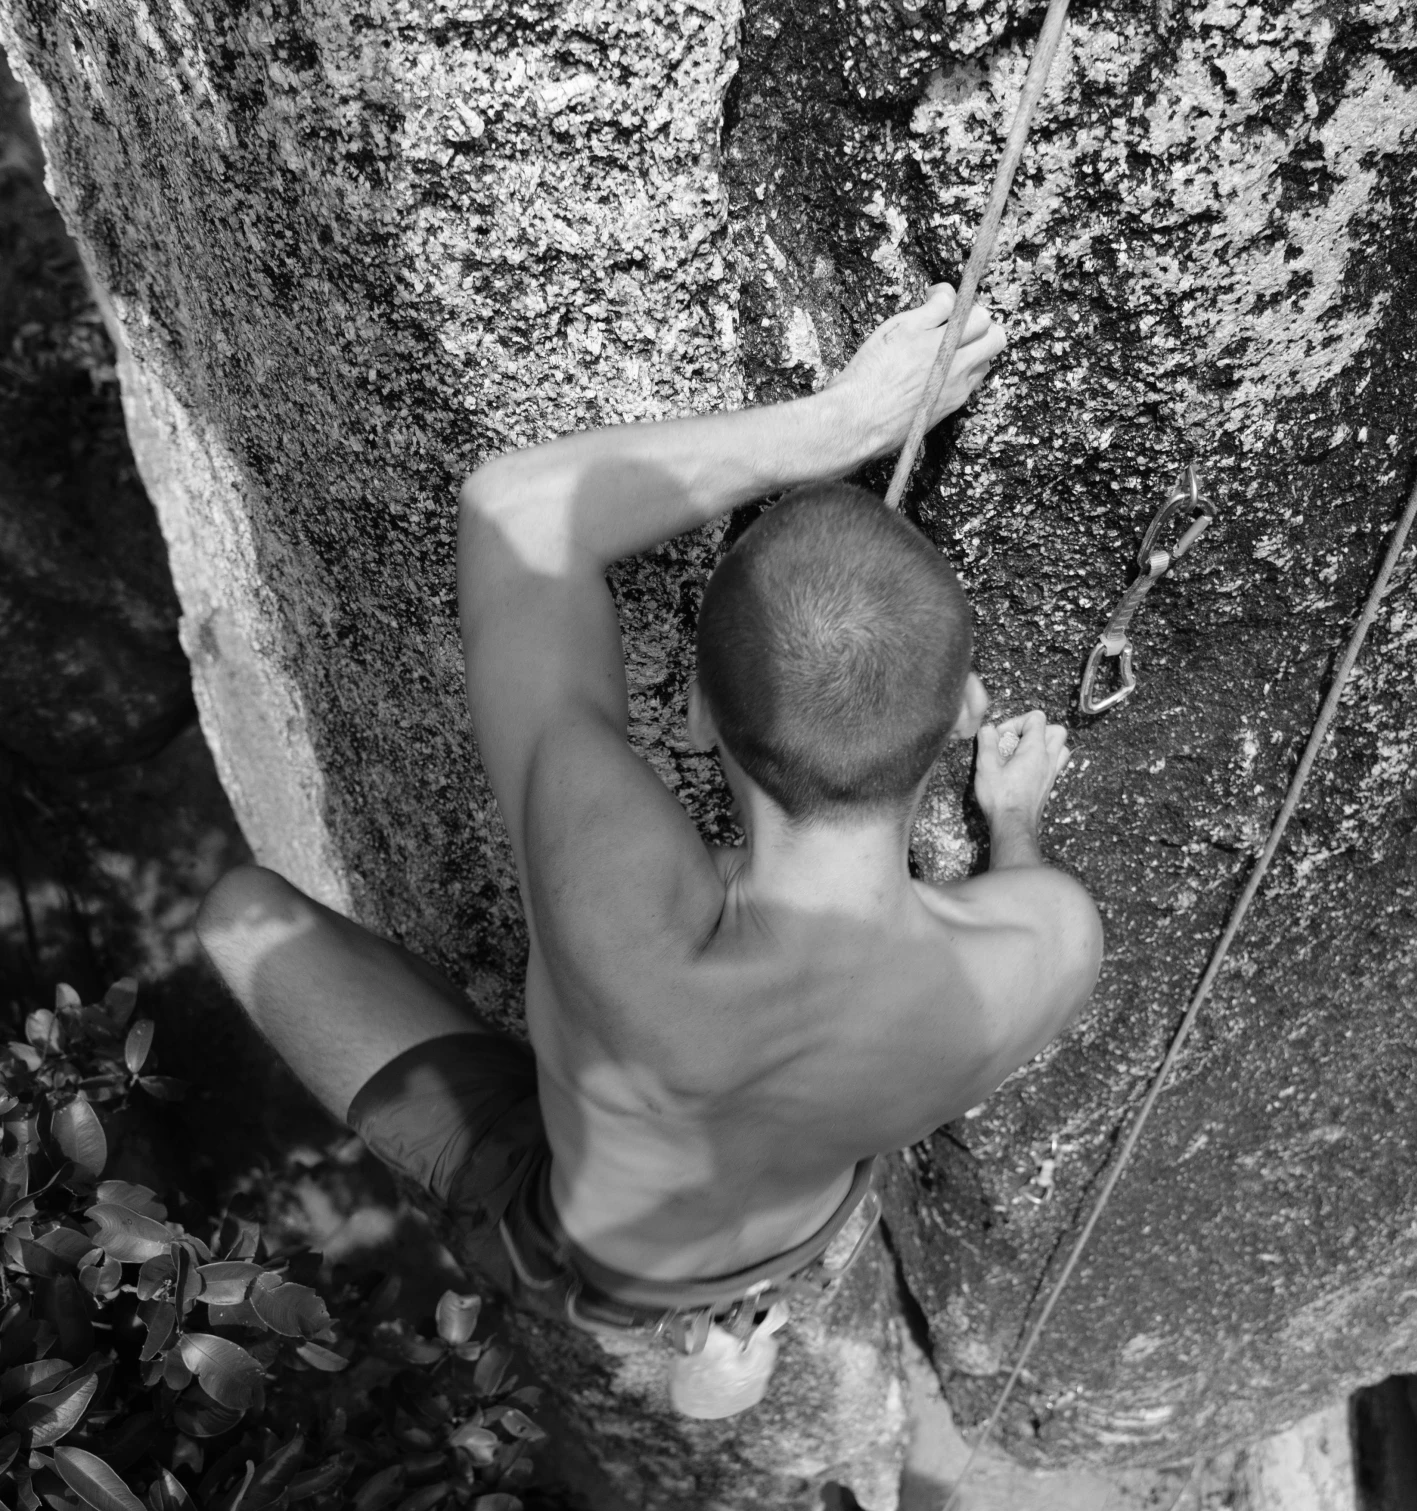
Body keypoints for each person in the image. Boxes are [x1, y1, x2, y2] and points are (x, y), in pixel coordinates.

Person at [197, 285, 1102, 1417]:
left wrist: (842, 421)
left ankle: (709, 1350)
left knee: (235, 911)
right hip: (793, 1215)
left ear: (694, 725)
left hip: (588, 1237)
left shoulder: (621, 909)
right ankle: (727, 1342)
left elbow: (516, 511)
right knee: (716, 1348)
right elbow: (1028, 887)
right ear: (957, 716)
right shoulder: (1053, 943)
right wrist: (1011, 815)